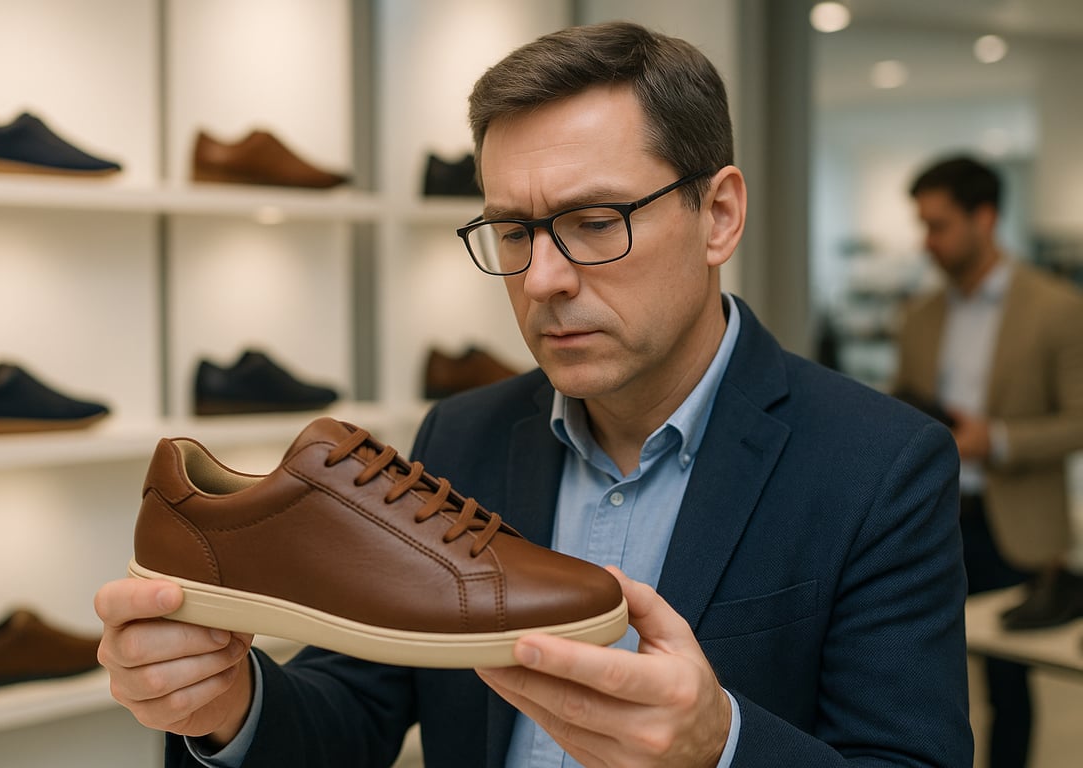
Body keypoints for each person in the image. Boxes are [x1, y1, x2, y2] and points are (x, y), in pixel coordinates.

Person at [95, 21, 973, 767]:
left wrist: (721, 744)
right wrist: (226, 705)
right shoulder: (464, 434)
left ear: (719, 216)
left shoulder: (879, 465)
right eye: (512, 231)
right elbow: (353, 705)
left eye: (595, 223)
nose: (542, 278)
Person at [893, 154, 1083, 768]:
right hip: (932, 518)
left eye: (939, 225)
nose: (928, 242)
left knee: (1007, 684)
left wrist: (996, 440)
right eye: (922, 226)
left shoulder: (1056, 308)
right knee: (925, 677)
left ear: (986, 218)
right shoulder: (919, 316)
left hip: (1012, 522)